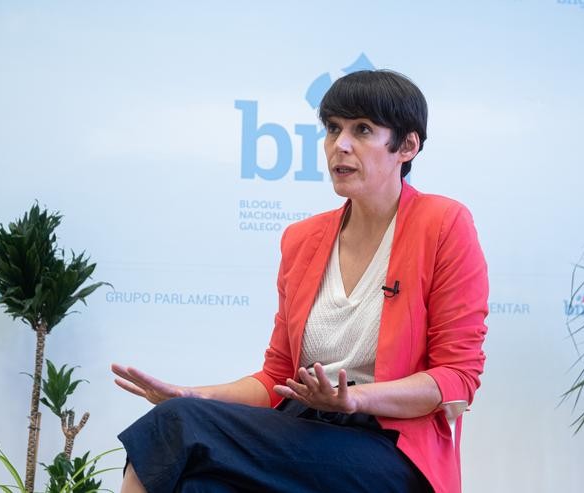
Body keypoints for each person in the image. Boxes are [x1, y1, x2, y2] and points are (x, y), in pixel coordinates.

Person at [112, 70, 488, 493]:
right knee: (194, 483)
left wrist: (356, 399)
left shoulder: (443, 224)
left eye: (362, 130)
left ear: (406, 146)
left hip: (389, 447)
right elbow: (275, 375)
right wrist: (197, 397)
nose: (339, 145)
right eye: (332, 129)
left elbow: (457, 377)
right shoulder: (302, 240)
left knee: (171, 424)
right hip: (301, 431)